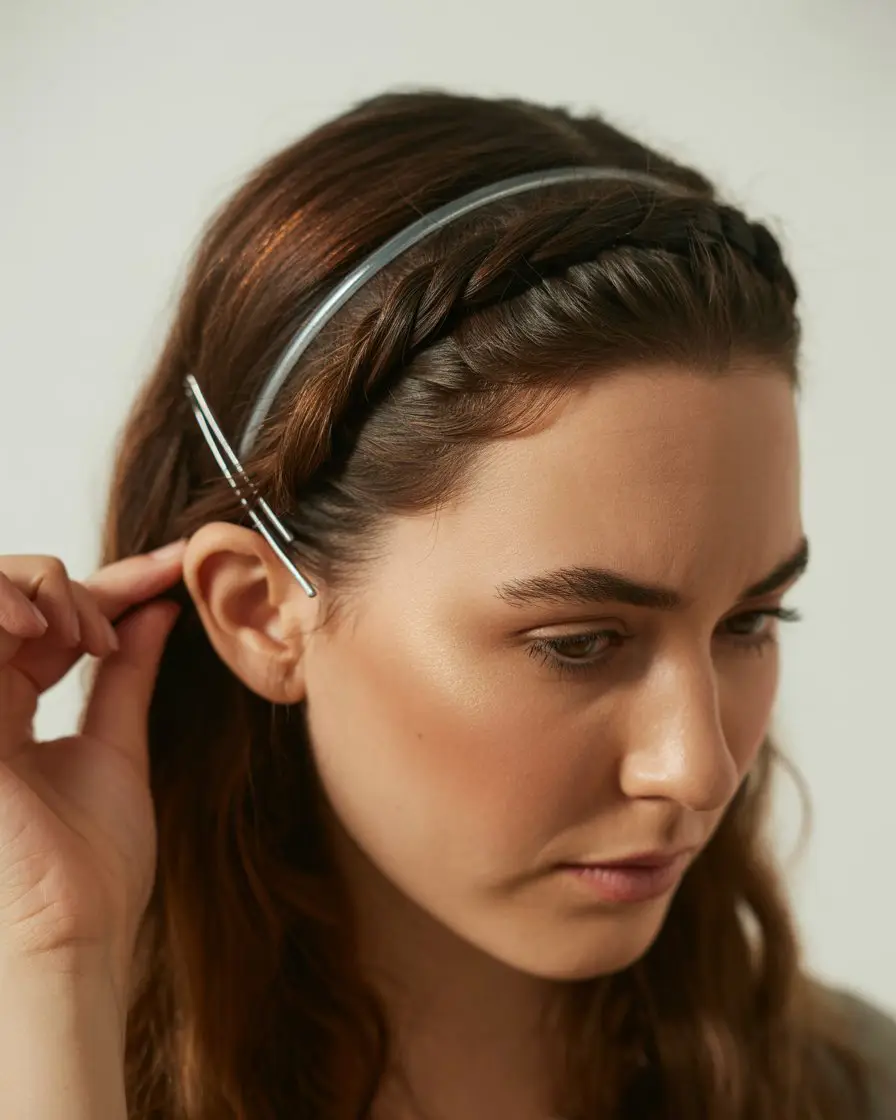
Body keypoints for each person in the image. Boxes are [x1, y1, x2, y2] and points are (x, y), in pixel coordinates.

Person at [0, 90, 893, 1120]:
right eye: (578, 642)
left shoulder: (851, 1087)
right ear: (261, 614)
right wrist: (53, 965)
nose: (698, 768)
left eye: (749, 622)